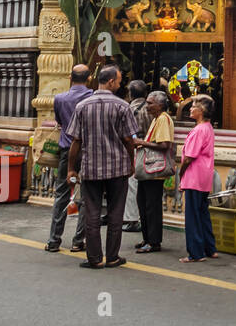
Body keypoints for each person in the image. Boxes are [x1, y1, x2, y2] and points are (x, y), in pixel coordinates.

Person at [66, 64, 142, 269]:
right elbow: (129, 140)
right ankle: (113, 256)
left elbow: (76, 141)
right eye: (118, 81)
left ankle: (94, 258)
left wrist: (71, 168)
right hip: (118, 168)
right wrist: (131, 162)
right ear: (110, 82)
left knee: (91, 212)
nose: (119, 84)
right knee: (116, 213)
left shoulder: (83, 106)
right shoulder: (122, 106)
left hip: (91, 168)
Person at [45, 64, 92, 253]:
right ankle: (78, 240)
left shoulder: (60, 98)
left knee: (61, 194)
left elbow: (59, 122)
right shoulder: (92, 97)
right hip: (87, 151)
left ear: (70, 78)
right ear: (89, 79)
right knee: (87, 196)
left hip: (66, 152)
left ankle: (54, 240)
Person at [177, 94, 218, 263]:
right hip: (204, 176)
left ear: (201, 111)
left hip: (194, 175)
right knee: (202, 213)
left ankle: (196, 252)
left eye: (194, 106)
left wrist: (181, 173)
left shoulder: (198, 130)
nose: (191, 109)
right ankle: (210, 248)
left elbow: (189, 157)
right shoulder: (208, 127)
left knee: (193, 216)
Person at [134, 91, 174, 254]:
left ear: (160, 104)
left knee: (151, 206)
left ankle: (154, 241)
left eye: (150, 103)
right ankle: (148, 238)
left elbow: (164, 145)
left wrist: (142, 142)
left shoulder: (163, 118)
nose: (148, 106)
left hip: (154, 168)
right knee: (143, 203)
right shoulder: (157, 119)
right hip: (149, 167)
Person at [122, 79, 149, 233]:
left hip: (132, 149)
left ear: (130, 93)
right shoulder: (152, 108)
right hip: (150, 149)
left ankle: (132, 219)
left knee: (132, 185)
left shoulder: (127, 108)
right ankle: (141, 217)